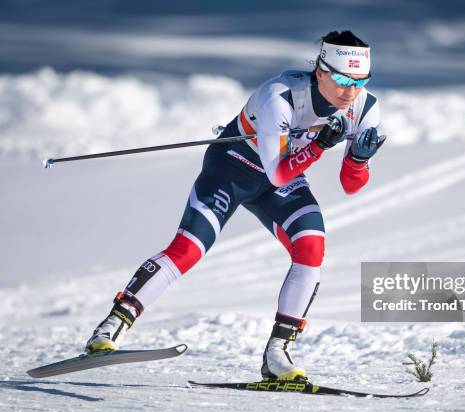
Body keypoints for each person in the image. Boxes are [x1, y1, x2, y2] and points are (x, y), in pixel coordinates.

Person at [85, 30, 385, 381]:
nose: (350, 91)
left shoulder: (365, 107)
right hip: (233, 167)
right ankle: (110, 328)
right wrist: (319, 146)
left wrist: (358, 161)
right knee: (189, 249)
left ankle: (277, 355)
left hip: (283, 176)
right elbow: (276, 172)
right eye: (341, 79)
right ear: (320, 71)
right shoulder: (282, 95)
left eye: (360, 80)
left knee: (311, 248)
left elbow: (351, 186)